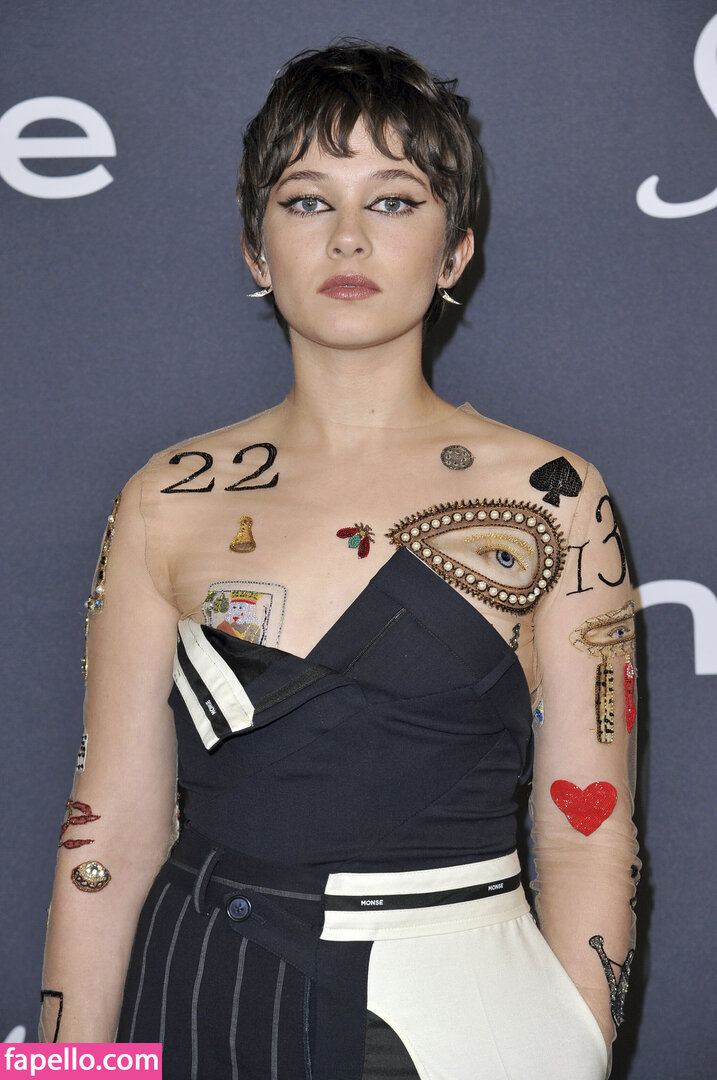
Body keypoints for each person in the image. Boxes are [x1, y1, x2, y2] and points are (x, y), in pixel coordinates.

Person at [39, 40, 639, 1080]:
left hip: (474, 1022)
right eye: (308, 201)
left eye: (394, 201)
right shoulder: (164, 497)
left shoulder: (557, 497)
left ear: (455, 251)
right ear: (255, 248)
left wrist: (576, 1044)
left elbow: (589, 833)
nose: (348, 236)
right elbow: (110, 836)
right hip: (201, 993)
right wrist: (65, 1071)